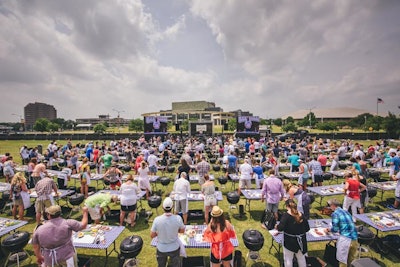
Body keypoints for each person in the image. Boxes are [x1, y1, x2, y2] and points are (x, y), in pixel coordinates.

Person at [150, 197, 185, 267]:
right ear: (172, 207)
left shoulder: (157, 220)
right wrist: (175, 230)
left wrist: (159, 232)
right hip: (174, 247)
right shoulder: (178, 218)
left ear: (163, 207)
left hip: (161, 248)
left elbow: (152, 235)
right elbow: (182, 230)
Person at [276, 199, 310, 267]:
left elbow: (280, 228)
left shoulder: (286, 216)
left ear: (286, 206)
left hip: (289, 242)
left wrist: (276, 226)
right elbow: (307, 228)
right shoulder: (301, 215)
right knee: (301, 258)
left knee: (288, 259)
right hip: (301, 241)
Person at [325, 198, 358, 267]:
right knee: (351, 260)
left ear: (333, 205)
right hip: (354, 238)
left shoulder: (335, 214)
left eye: (330, 206)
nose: (330, 207)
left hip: (345, 239)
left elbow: (335, 228)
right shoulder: (346, 212)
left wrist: (329, 230)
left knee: (342, 261)